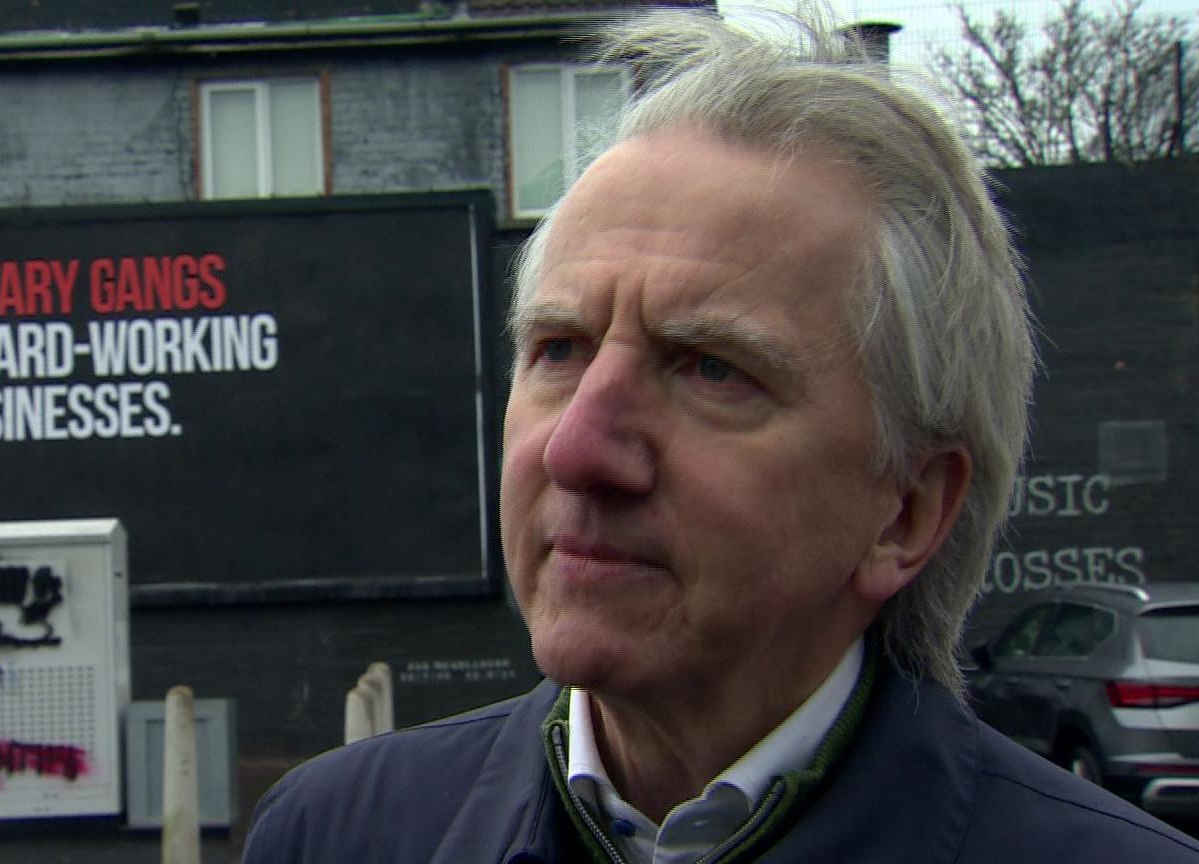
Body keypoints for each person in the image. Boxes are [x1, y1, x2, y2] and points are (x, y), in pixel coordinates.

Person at [241, 7, 1199, 862]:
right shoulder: (332, 833)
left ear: (905, 511)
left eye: (710, 368)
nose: (576, 450)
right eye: (560, 349)